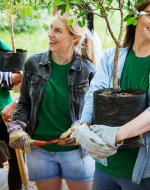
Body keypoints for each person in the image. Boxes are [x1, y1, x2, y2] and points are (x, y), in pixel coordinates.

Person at [75, 0, 150, 189]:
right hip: (106, 165)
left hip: (145, 169)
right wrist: (84, 125)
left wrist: (115, 135)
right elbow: (95, 91)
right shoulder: (111, 57)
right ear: (134, 16)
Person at [7, 10, 97, 190]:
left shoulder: (88, 71)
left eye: (58, 30)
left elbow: (95, 112)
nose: (50, 34)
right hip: (40, 151)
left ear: (75, 37)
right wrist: (16, 127)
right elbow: (24, 103)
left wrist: (81, 127)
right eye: (50, 28)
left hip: (76, 152)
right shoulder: (32, 64)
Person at [0, 39, 23, 190]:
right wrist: (12, 78)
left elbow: (18, 71)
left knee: (17, 159)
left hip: (4, 112)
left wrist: (15, 75)